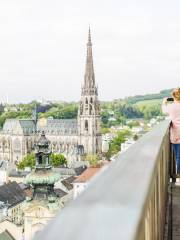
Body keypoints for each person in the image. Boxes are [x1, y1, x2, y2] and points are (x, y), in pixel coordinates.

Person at [162, 88, 180, 176]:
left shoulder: (171, 107)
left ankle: (179, 174)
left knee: (178, 156)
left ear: (173, 96)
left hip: (176, 134)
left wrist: (164, 102)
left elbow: (163, 110)